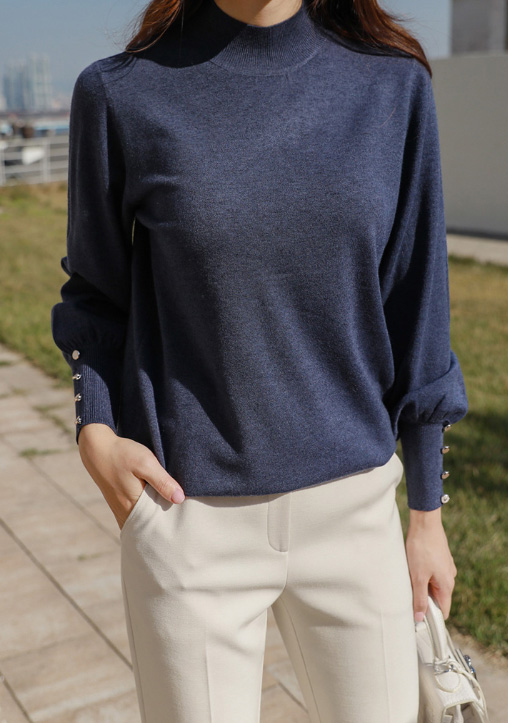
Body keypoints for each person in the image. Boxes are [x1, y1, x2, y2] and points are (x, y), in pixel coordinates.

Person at [50, 0, 469, 720]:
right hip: (189, 518)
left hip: (356, 516)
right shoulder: (120, 94)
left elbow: (418, 307)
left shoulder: (392, 88)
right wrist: (96, 428)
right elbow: (96, 295)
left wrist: (426, 514)